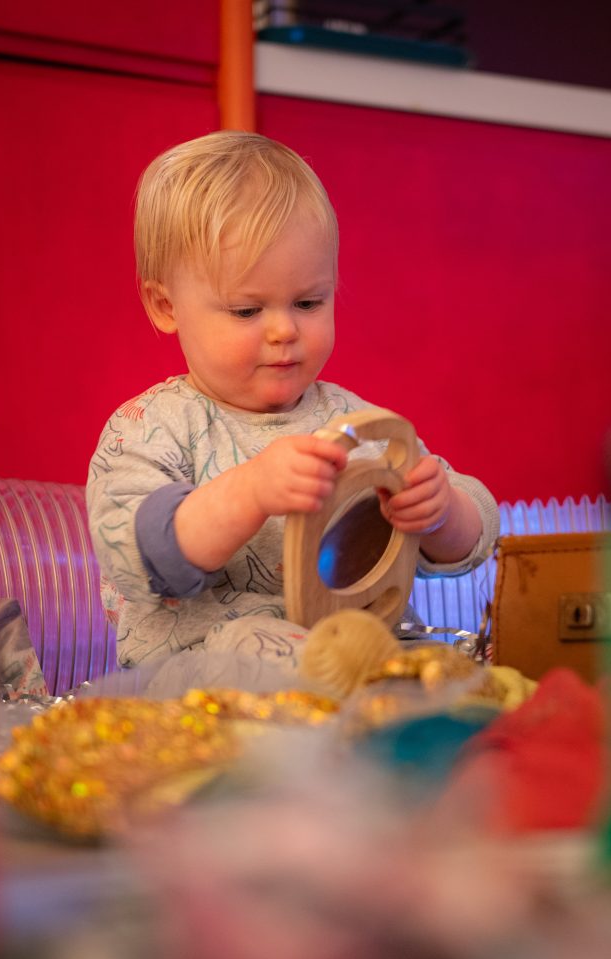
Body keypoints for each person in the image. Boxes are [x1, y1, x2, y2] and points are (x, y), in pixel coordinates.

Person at [88, 130, 499, 667]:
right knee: (263, 651)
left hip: (365, 656)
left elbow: (479, 533)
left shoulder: (353, 425)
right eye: (246, 311)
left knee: (460, 669)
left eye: (308, 302)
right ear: (166, 305)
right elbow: (142, 556)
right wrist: (251, 492)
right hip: (207, 674)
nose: (284, 330)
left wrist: (441, 513)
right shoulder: (150, 427)